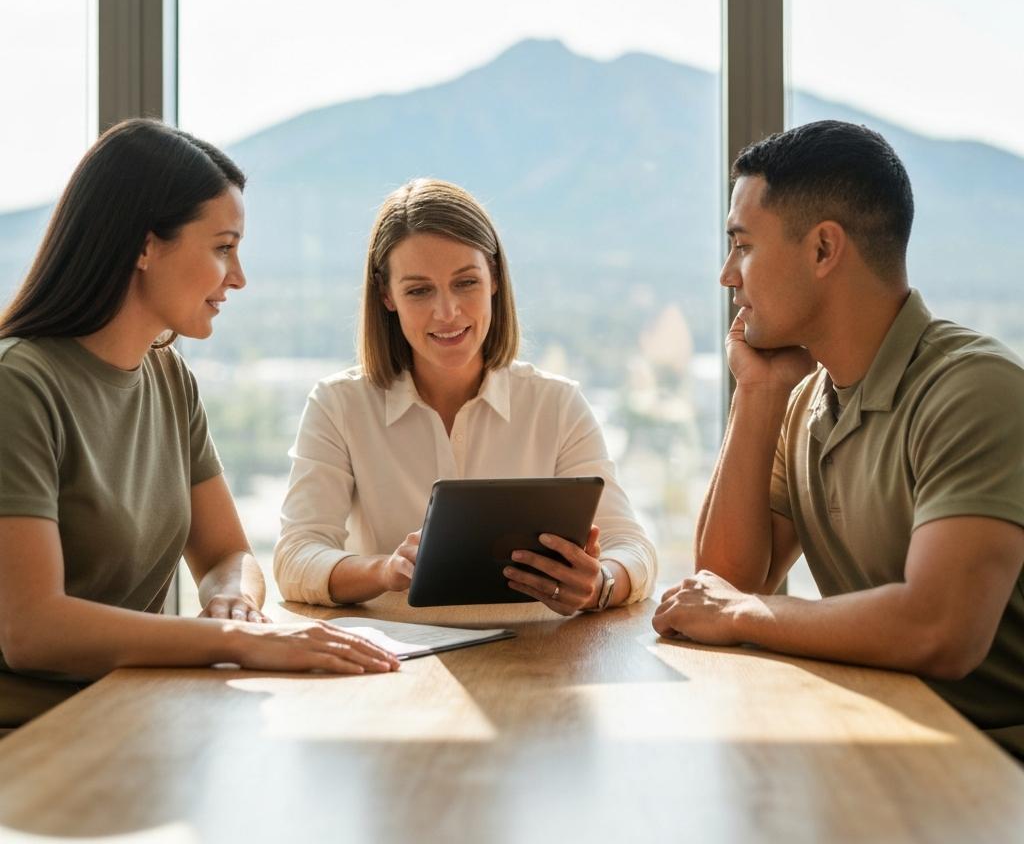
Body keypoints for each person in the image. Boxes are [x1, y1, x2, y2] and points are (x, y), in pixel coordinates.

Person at [0, 119, 399, 728]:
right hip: (29, 746)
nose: (237, 277)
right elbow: (31, 629)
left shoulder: (168, 379)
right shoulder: (19, 385)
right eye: (222, 247)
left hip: (132, 717)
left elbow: (227, 552)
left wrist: (232, 600)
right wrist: (238, 642)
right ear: (143, 244)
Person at [653, 119, 1024, 760]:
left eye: (742, 245)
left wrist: (745, 615)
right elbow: (724, 580)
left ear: (824, 250)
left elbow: (943, 630)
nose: (725, 275)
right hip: (880, 743)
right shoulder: (803, 400)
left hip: (991, 769)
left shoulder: (975, 389)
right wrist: (759, 395)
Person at [274, 178, 656, 614]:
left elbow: (633, 547)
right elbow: (294, 558)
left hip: (537, 660)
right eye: (419, 290)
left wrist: (600, 584)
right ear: (386, 295)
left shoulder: (557, 405)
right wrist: (385, 571)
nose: (447, 312)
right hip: (398, 668)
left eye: (465, 283)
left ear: (494, 278)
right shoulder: (338, 406)